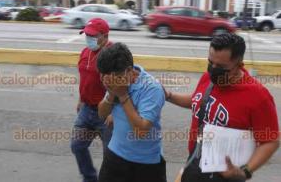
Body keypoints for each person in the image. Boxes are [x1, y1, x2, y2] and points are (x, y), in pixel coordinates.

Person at [165, 33, 280, 182]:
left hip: (226, 175)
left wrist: (245, 172)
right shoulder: (208, 78)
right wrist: (169, 95)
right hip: (195, 163)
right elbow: (198, 102)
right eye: (210, 62)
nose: (213, 70)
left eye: (221, 67)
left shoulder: (258, 96)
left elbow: (271, 141)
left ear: (239, 64)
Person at [96, 43, 167, 182]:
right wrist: (111, 94)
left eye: (112, 77)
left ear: (129, 71)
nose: (108, 80)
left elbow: (140, 131)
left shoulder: (151, 88)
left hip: (146, 164)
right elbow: (102, 114)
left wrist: (122, 96)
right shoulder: (114, 79)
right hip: (115, 156)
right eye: (104, 76)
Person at [70, 18, 113, 182]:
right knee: (77, 146)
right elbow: (85, 78)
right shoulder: (85, 52)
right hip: (87, 109)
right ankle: (90, 178)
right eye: (86, 34)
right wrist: (81, 99)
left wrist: (114, 111)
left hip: (106, 113)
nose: (88, 37)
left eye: (92, 35)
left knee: (110, 155)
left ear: (105, 36)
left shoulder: (113, 54)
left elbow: (121, 85)